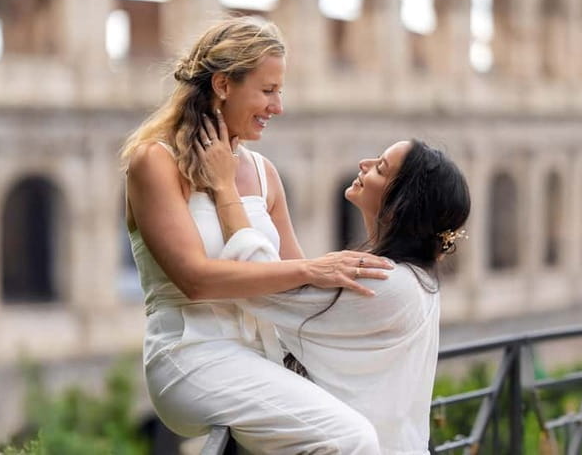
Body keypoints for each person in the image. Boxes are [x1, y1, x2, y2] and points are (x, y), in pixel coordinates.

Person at [121, 16, 393, 453]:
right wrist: (311, 267)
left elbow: (294, 290)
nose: (277, 106)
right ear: (225, 85)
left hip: (263, 356)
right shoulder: (154, 161)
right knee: (351, 437)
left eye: (279, 91)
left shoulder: (265, 174)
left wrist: (391, 295)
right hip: (191, 356)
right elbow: (195, 280)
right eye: (268, 91)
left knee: (377, 419)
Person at [196, 121, 471, 454]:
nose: (364, 165)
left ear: (399, 205)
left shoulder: (387, 282)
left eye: (380, 169)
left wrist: (225, 187)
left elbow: (259, 284)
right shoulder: (415, 280)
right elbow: (295, 287)